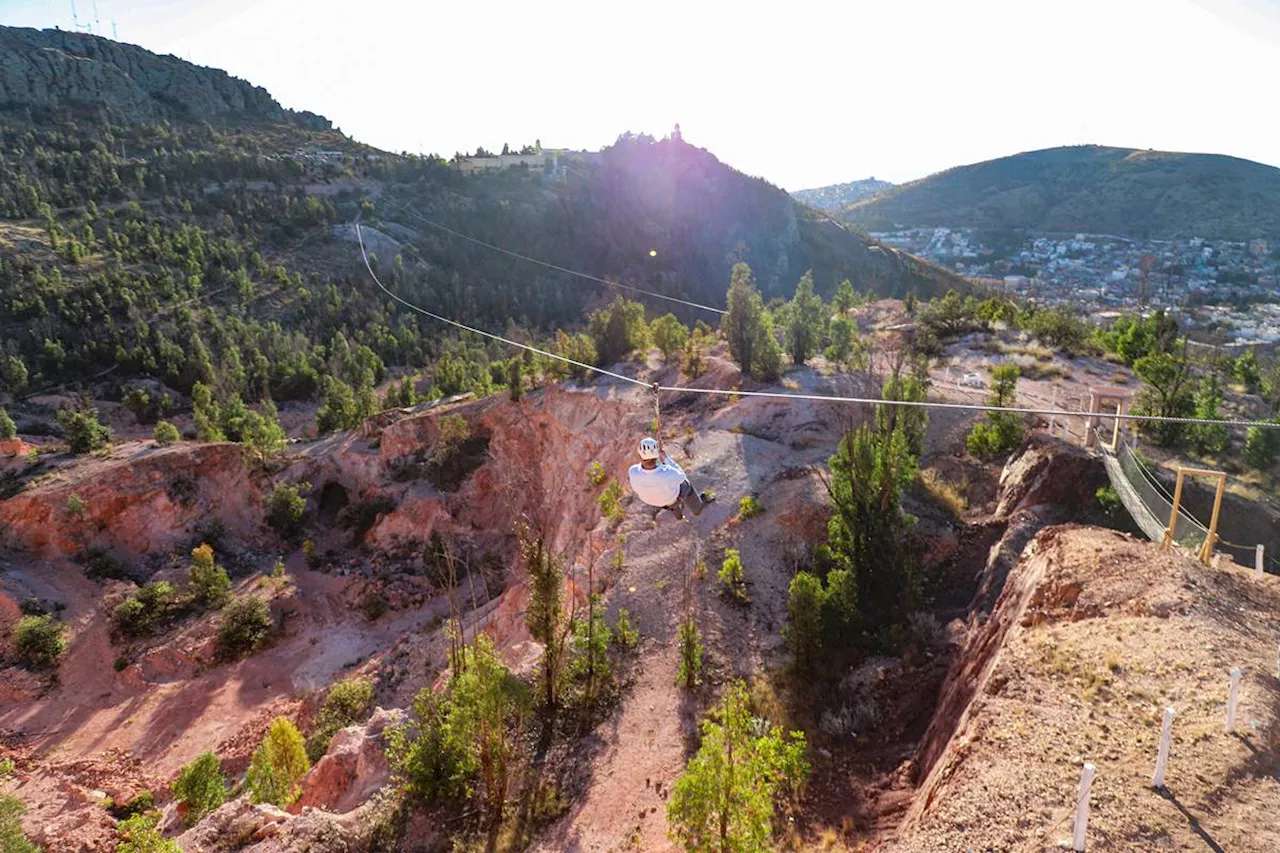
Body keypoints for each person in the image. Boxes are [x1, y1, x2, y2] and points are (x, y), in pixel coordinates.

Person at [627, 436, 714, 521]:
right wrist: (665, 457)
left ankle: (679, 516)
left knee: (669, 496)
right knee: (686, 485)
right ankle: (697, 509)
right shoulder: (669, 472)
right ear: (656, 455)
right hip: (670, 499)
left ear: (640, 455)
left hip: (651, 501)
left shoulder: (632, 471)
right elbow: (682, 476)